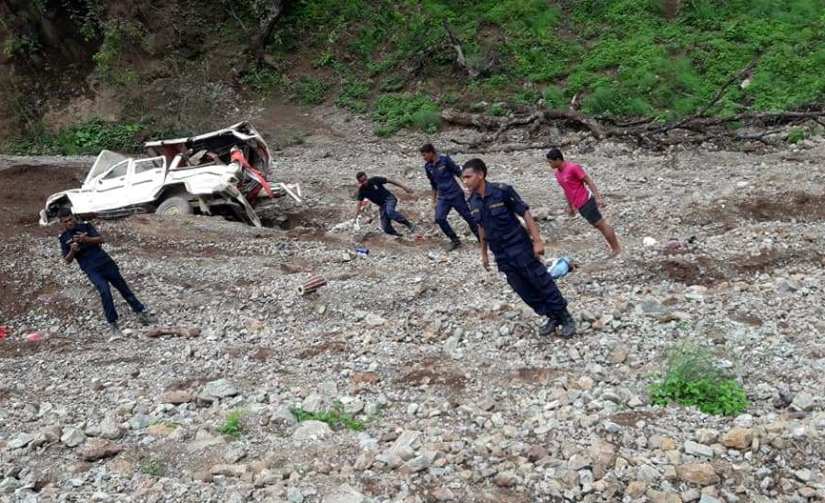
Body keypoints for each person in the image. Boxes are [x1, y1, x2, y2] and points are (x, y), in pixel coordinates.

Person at [462, 158, 576, 338]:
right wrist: (484, 253)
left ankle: (565, 316)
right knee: (522, 289)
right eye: (463, 178)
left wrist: (537, 241)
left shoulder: (502, 191)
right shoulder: (473, 201)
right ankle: (551, 315)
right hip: (501, 253)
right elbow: (481, 227)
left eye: (468, 177)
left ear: (481, 175)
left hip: (519, 246)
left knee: (540, 280)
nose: (465, 181)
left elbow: (525, 212)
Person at [57, 208, 151, 337]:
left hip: (106, 262)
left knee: (123, 288)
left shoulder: (86, 226)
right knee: (104, 291)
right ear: (62, 223)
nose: (69, 223)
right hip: (91, 269)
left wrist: (86, 239)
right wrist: (72, 250)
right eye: (66, 221)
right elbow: (67, 260)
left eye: (70, 219)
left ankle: (141, 313)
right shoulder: (64, 238)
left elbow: (101, 239)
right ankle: (113, 325)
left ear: (73, 217)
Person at [547, 148, 621, 256]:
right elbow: (566, 190)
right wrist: (570, 206)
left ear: (558, 159)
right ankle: (614, 247)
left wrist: (598, 197)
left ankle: (616, 249)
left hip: (586, 201)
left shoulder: (573, 168)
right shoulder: (558, 174)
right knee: (598, 226)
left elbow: (588, 181)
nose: (550, 164)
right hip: (579, 205)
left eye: (550, 162)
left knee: (601, 225)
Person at [420, 143, 478, 251]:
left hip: (455, 194)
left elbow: (458, 172)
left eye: (424, 155)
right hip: (443, 197)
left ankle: (482, 239)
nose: (423, 158)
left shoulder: (445, 160)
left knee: (468, 217)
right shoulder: (428, 167)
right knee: (439, 218)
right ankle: (455, 240)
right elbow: (433, 184)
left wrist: (467, 187)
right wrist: (433, 201)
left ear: (431, 152)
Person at [354, 172, 416, 236]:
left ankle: (409, 224)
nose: (365, 182)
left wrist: (404, 187)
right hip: (382, 205)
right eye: (362, 181)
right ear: (359, 182)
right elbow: (359, 204)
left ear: (367, 177)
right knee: (386, 228)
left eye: (365, 179)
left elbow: (390, 181)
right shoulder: (362, 191)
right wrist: (355, 217)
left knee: (390, 212)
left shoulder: (374, 180)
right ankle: (399, 236)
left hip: (389, 199)